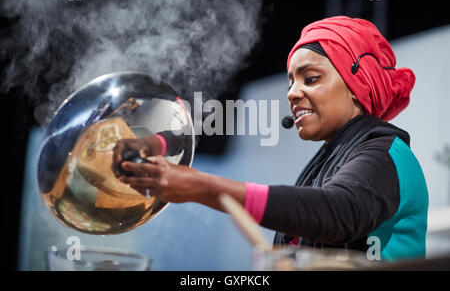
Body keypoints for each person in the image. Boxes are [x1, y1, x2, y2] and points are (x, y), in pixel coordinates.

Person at [112, 16, 429, 261]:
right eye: (291, 81)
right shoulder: (334, 157)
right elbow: (219, 125)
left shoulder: (387, 152)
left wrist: (202, 186)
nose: (292, 93)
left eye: (311, 78)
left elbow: (336, 212)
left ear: (358, 84)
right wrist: (157, 144)